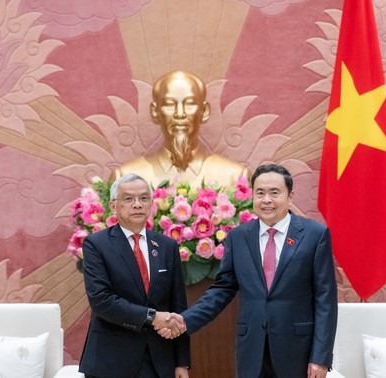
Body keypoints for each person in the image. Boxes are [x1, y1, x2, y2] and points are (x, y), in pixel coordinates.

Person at [161, 164, 338, 378]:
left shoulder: (314, 235)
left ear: (290, 196)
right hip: (251, 350)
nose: (266, 200)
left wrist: (320, 358)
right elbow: (222, 290)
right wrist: (185, 320)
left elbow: (325, 300)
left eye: (274, 192)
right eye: (260, 193)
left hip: (297, 351)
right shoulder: (238, 237)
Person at [78, 173, 190, 378]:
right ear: (113, 206)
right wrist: (152, 317)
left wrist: (181, 362)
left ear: (151, 204)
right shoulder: (97, 245)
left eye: (144, 198)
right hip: (111, 361)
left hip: (159, 361)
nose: (137, 204)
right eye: (128, 199)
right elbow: (101, 300)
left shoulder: (167, 246)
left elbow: (178, 306)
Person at [111, 70, 248, 187]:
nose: (180, 114)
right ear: (155, 112)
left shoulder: (236, 178)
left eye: (189, 104)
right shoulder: (124, 180)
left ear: (204, 111)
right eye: (169, 104)